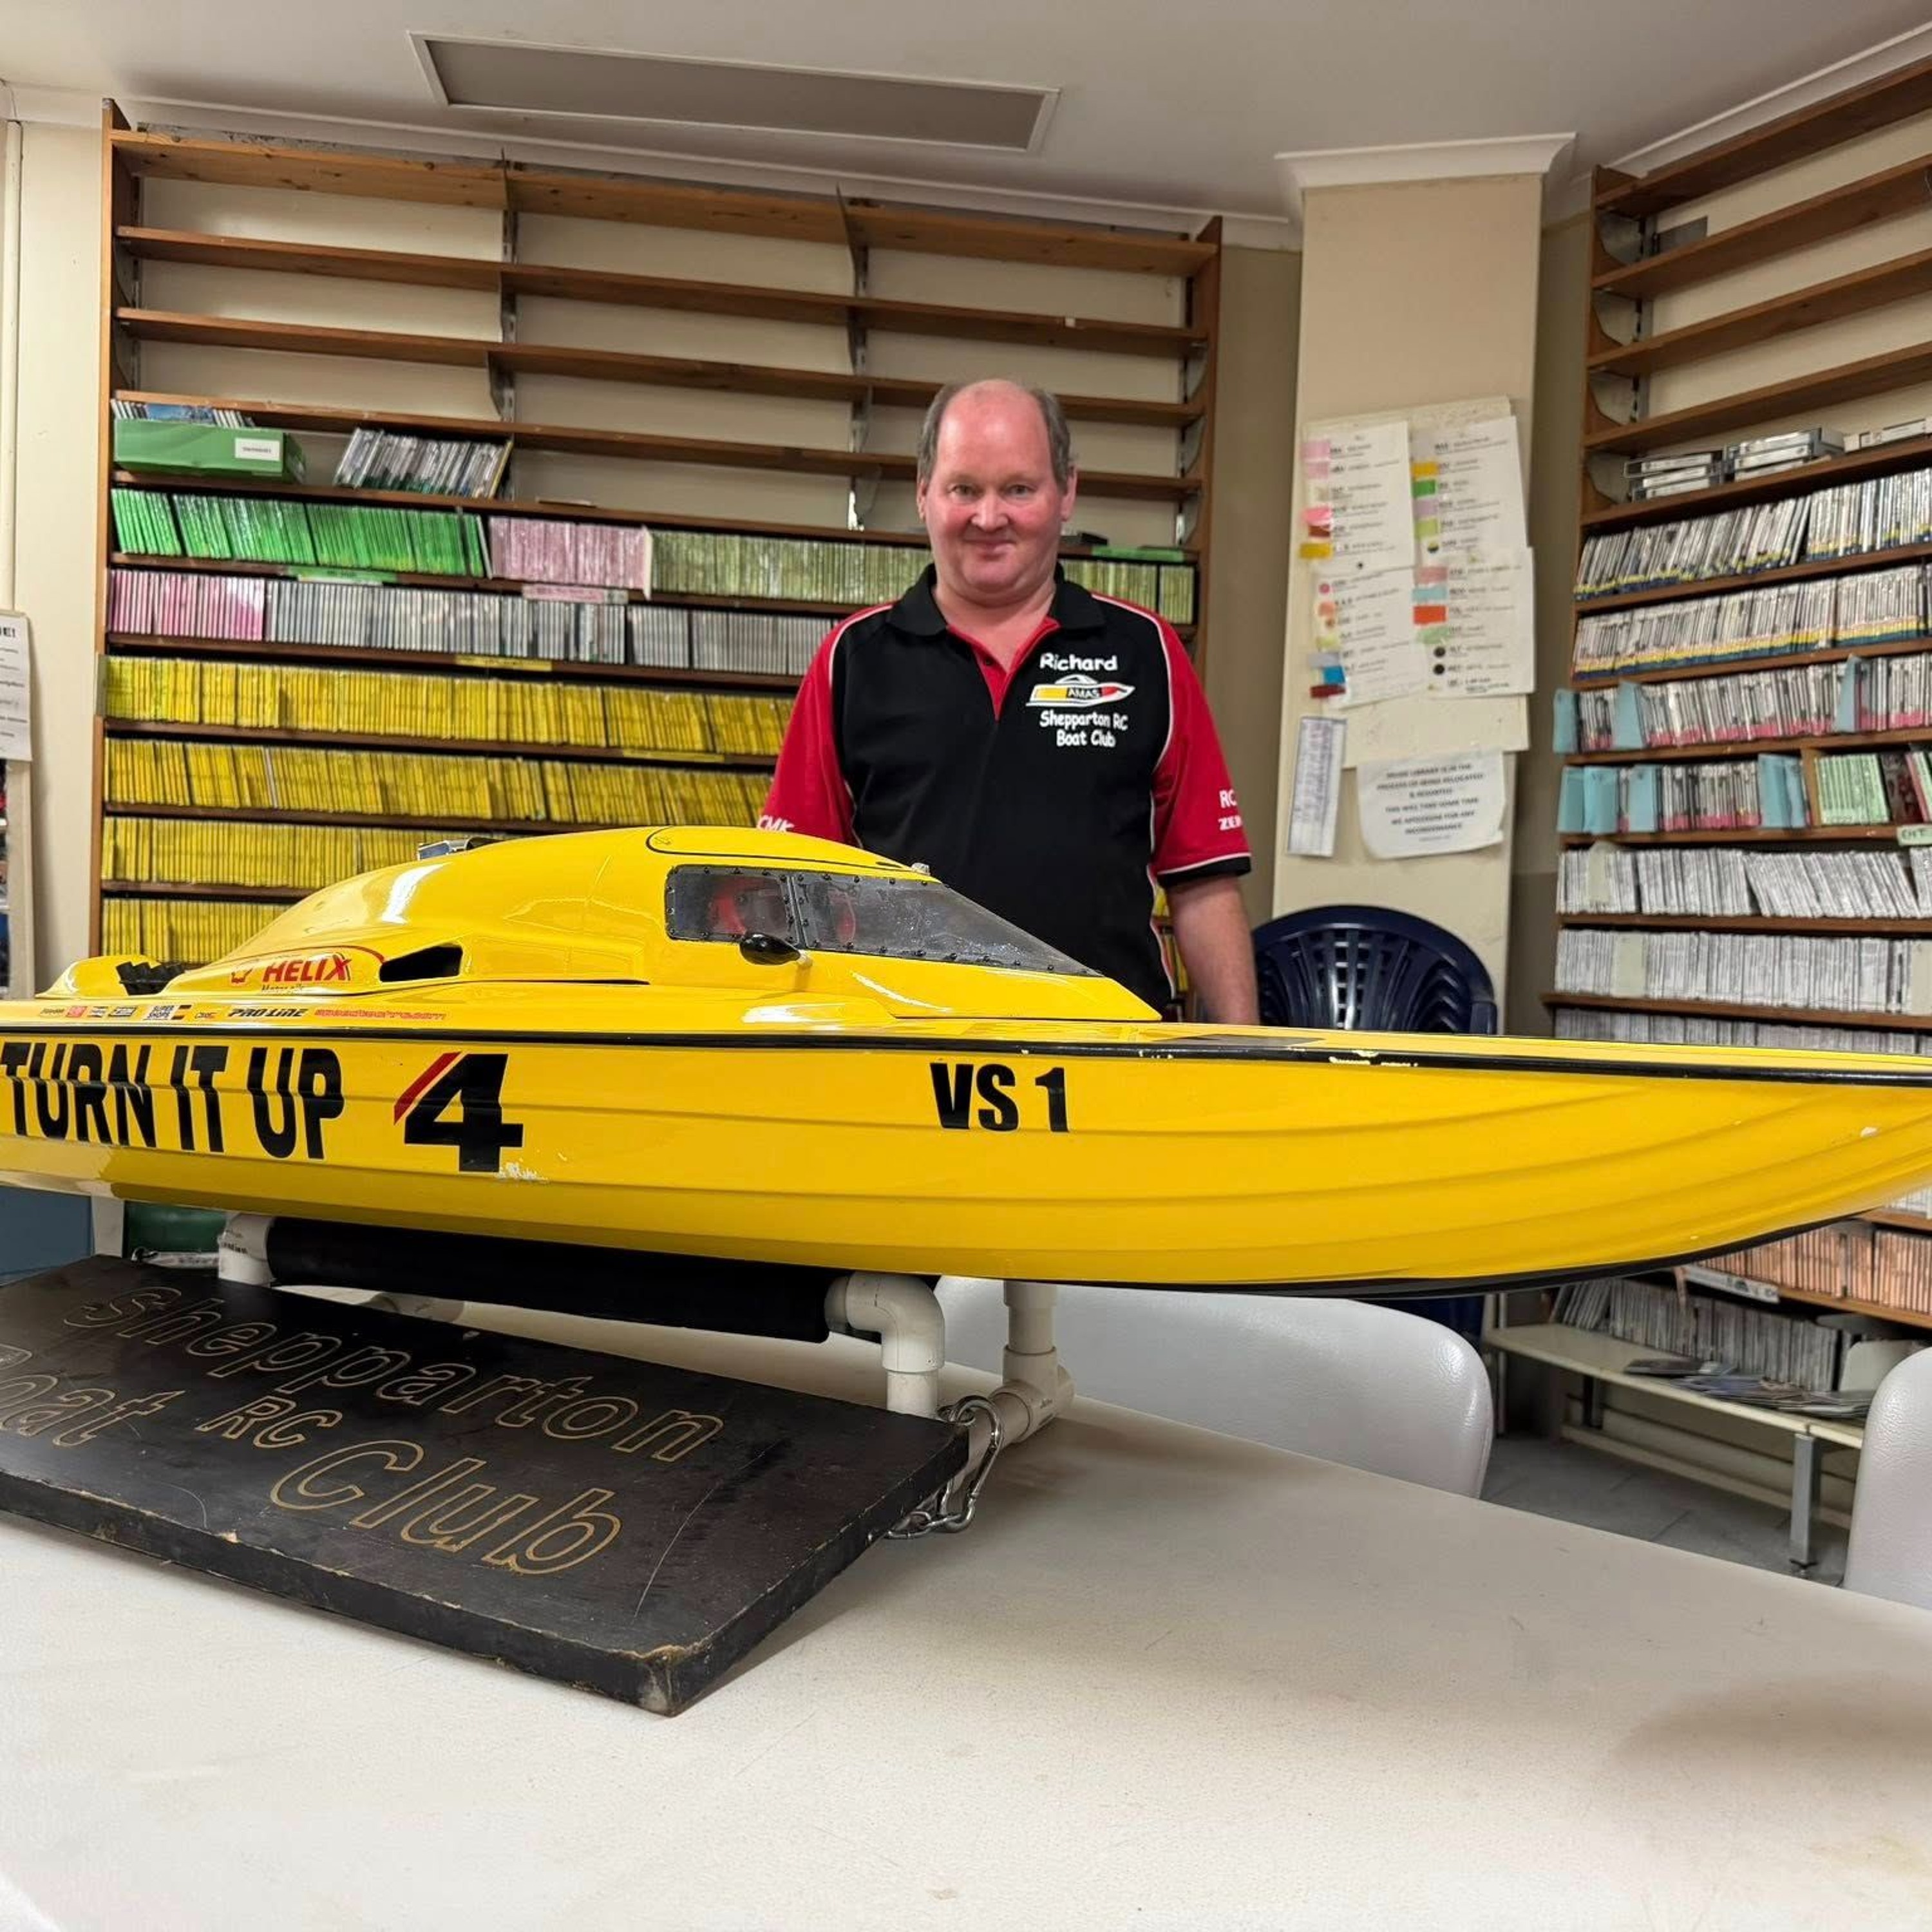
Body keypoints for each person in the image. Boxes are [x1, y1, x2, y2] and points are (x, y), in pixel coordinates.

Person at [759, 377, 1258, 1022]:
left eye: (1018, 489)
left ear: (1067, 492)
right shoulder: (852, 661)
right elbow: (792, 887)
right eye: (964, 488)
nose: (988, 518)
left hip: (1111, 1052)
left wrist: (1243, 1061)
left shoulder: (1148, 652)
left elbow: (1205, 886)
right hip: (904, 1052)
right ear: (923, 493)